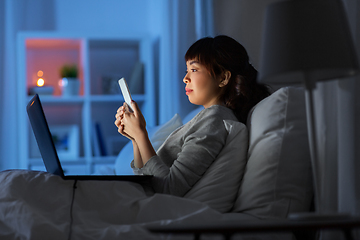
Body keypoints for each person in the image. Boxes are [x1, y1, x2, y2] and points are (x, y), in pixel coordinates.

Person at [114, 35, 270, 197]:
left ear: (223, 78)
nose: (185, 78)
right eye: (186, 70)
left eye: (194, 70)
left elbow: (168, 188)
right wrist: (135, 139)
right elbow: (145, 178)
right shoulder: (208, 117)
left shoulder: (214, 119)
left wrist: (141, 134)